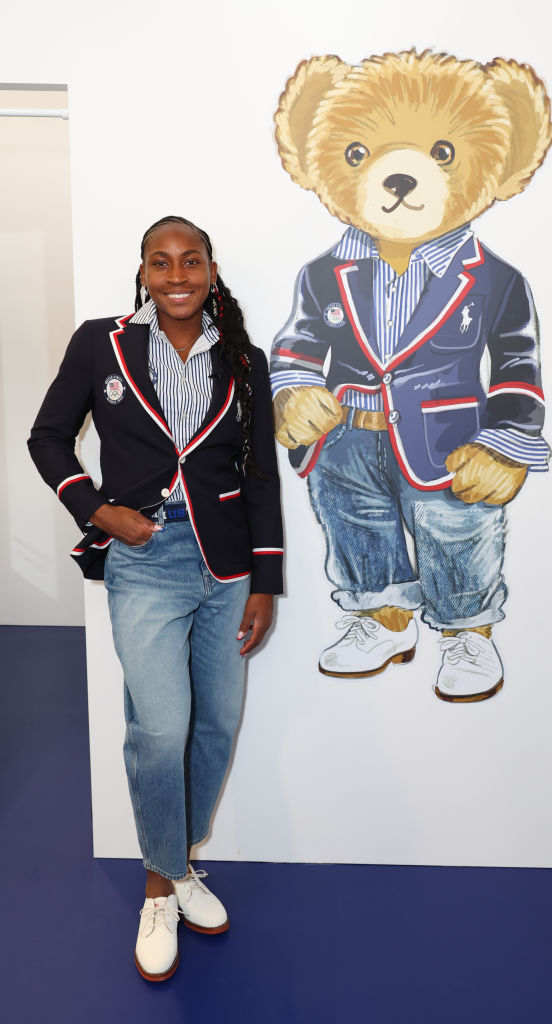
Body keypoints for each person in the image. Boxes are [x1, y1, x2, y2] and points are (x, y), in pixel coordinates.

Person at [28, 216, 283, 982]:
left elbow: (261, 474)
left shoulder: (243, 358)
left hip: (226, 565)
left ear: (210, 269)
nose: (177, 274)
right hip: (143, 558)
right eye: (161, 261)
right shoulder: (99, 343)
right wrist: (96, 508)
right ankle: (157, 885)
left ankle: (179, 863)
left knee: (216, 727)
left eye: (191, 260)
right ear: (143, 271)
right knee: (160, 728)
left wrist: (266, 579)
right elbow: (46, 436)